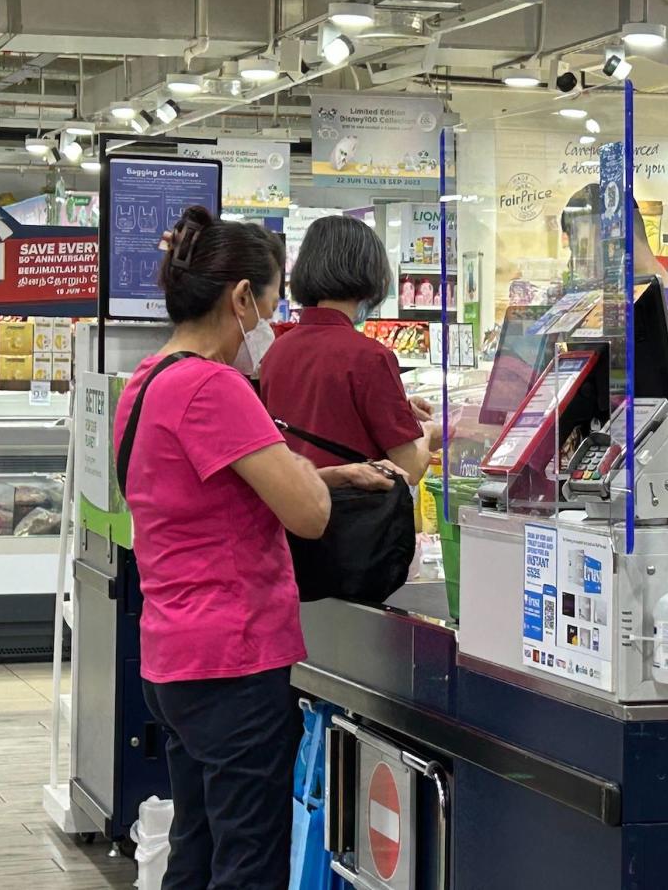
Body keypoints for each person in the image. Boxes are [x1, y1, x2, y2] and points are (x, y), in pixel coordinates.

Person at [114, 206, 339, 890]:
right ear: (242, 298)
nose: (274, 322)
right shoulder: (216, 385)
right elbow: (309, 515)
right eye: (274, 302)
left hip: (175, 656)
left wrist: (318, 470)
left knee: (200, 846)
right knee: (249, 860)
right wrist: (313, 478)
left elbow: (207, 489)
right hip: (235, 659)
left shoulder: (147, 381)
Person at [261, 215, 440, 484]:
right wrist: (429, 433)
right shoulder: (369, 356)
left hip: (293, 513)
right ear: (370, 271)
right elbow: (410, 467)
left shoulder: (277, 350)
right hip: (357, 517)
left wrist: (400, 410)